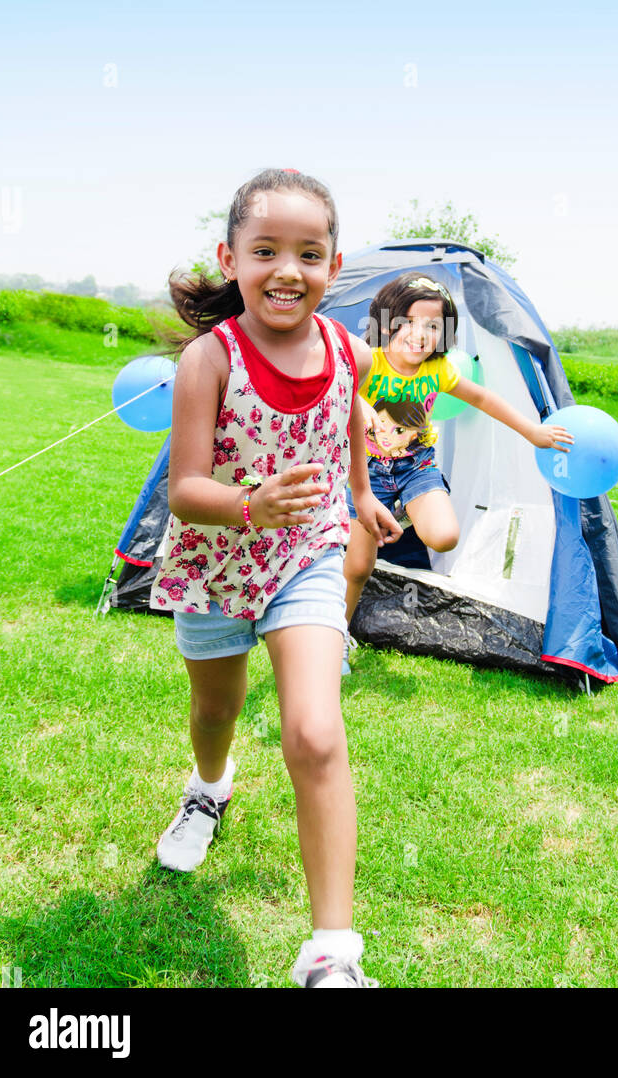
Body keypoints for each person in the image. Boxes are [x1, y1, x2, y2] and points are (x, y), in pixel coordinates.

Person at [149, 167, 401, 989]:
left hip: (307, 558)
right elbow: (185, 491)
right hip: (218, 563)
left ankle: (333, 953)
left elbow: (349, 438)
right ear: (230, 258)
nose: (287, 269)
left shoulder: (346, 351)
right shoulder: (207, 359)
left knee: (317, 735)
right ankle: (209, 790)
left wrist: (361, 498)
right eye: (266, 250)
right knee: (215, 709)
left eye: (309, 252)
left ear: (336, 264)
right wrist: (252, 504)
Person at [343, 271, 574, 632]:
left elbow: (483, 397)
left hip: (415, 467)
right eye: (408, 322)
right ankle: (338, 634)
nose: (421, 334)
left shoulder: (439, 370)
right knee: (357, 567)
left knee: (444, 536)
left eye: (433, 326)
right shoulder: (370, 361)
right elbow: (334, 387)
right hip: (367, 473)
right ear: (387, 323)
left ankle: (403, 509)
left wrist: (533, 431)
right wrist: (358, 403)